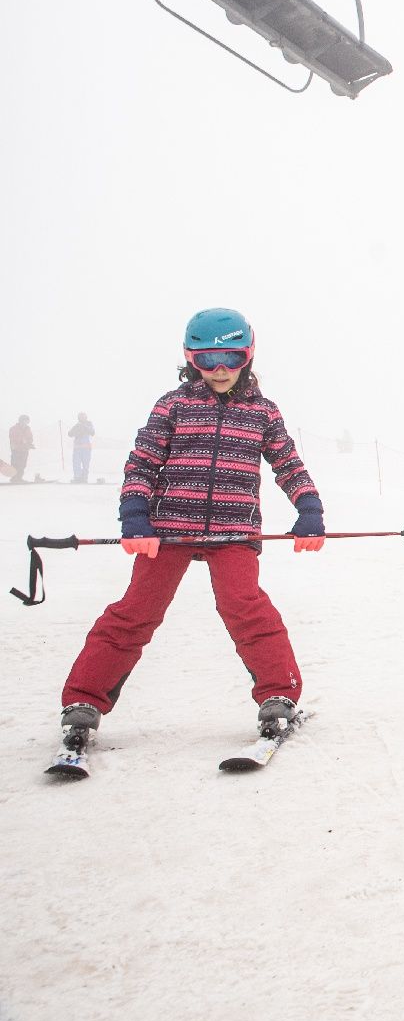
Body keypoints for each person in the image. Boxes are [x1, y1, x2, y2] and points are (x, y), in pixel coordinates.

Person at [51, 308, 326, 764]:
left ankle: (280, 696)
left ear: (248, 356)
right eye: (207, 359)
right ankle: (83, 700)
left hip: (233, 532)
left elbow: (288, 464)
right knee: (135, 611)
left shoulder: (263, 412)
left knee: (245, 607)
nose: (220, 369)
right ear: (189, 359)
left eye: (231, 357)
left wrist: (309, 509)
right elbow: (142, 463)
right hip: (168, 531)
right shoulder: (172, 405)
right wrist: (135, 516)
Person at [68, 413, 96, 483]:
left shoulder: (89, 424)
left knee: (85, 464)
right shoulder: (77, 425)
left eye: (83, 417)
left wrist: (84, 427)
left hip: (86, 449)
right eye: (80, 417)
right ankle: (77, 477)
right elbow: (70, 434)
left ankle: (84, 478)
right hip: (77, 449)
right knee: (76, 463)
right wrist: (76, 430)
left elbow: (92, 432)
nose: (82, 418)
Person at [8, 414, 32, 483]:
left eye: (27, 421)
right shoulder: (13, 428)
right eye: (25, 421)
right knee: (15, 464)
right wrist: (22, 441)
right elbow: (12, 438)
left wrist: (30, 443)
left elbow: (30, 438)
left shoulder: (28, 429)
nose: (26, 423)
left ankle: (19, 478)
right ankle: (14, 478)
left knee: (23, 465)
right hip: (16, 450)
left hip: (25, 450)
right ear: (20, 421)